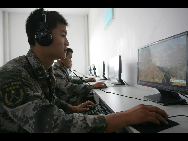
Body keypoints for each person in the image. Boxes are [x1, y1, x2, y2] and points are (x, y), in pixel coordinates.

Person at [0, 8, 169, 133]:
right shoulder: (13, 74)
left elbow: (49, 101)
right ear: (43, 37)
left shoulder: (44, 70)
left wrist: (71, 108)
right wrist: (125, 116)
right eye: (63, 35)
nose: (67, 42)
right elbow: (55, 126)